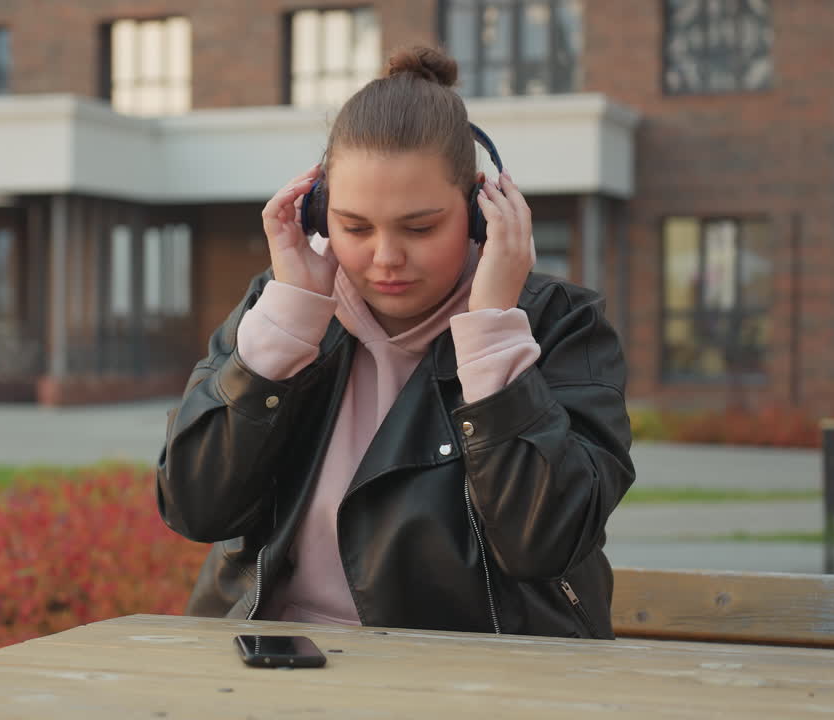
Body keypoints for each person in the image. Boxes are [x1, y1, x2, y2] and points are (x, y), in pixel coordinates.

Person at [156, 45, 634, 639]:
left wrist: (491, 332)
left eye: (420, 227)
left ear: (481, 211)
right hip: (277, 663)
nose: (385, 259)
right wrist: (288, 325)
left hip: (472, 675)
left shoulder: (561, 325)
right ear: (319, 212)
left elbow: (544, 540)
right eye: (355, 227)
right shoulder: (279, 310)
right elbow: (196, 507)